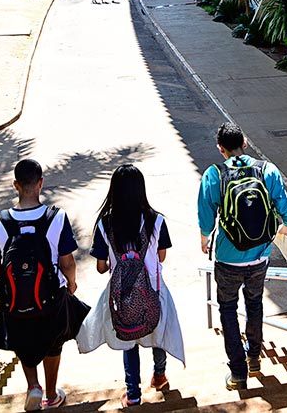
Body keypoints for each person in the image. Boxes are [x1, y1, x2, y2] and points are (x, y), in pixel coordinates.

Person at [198, 122, 287, 390]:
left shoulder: (214, 174)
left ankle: (238, 373)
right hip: (259, 257)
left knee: (228, 309)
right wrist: (282, 230)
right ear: (246, 142)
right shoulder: (267, 170)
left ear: (221, 149)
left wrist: (205, 239)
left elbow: (206, 218)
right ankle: (254, 358)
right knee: (255, 304)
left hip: (228, 258)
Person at [77, 165, 184, 407]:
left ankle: (133, 393)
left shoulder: (105, 224)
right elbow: (162, 256)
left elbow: (101, 267)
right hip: (154, 289)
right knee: (157, 332)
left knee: (129, 338)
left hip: (122, 293)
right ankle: (159, 374)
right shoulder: (156, 220)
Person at [0, 159, 77, 410]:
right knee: (52, 343)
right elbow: (67, 262)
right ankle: (52, 394)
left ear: (15, 185)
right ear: (41, 183)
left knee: (24, 340)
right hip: (52, 296)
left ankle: (33, 385)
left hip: (15, 299)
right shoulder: (57, 218)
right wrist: (71, 284)